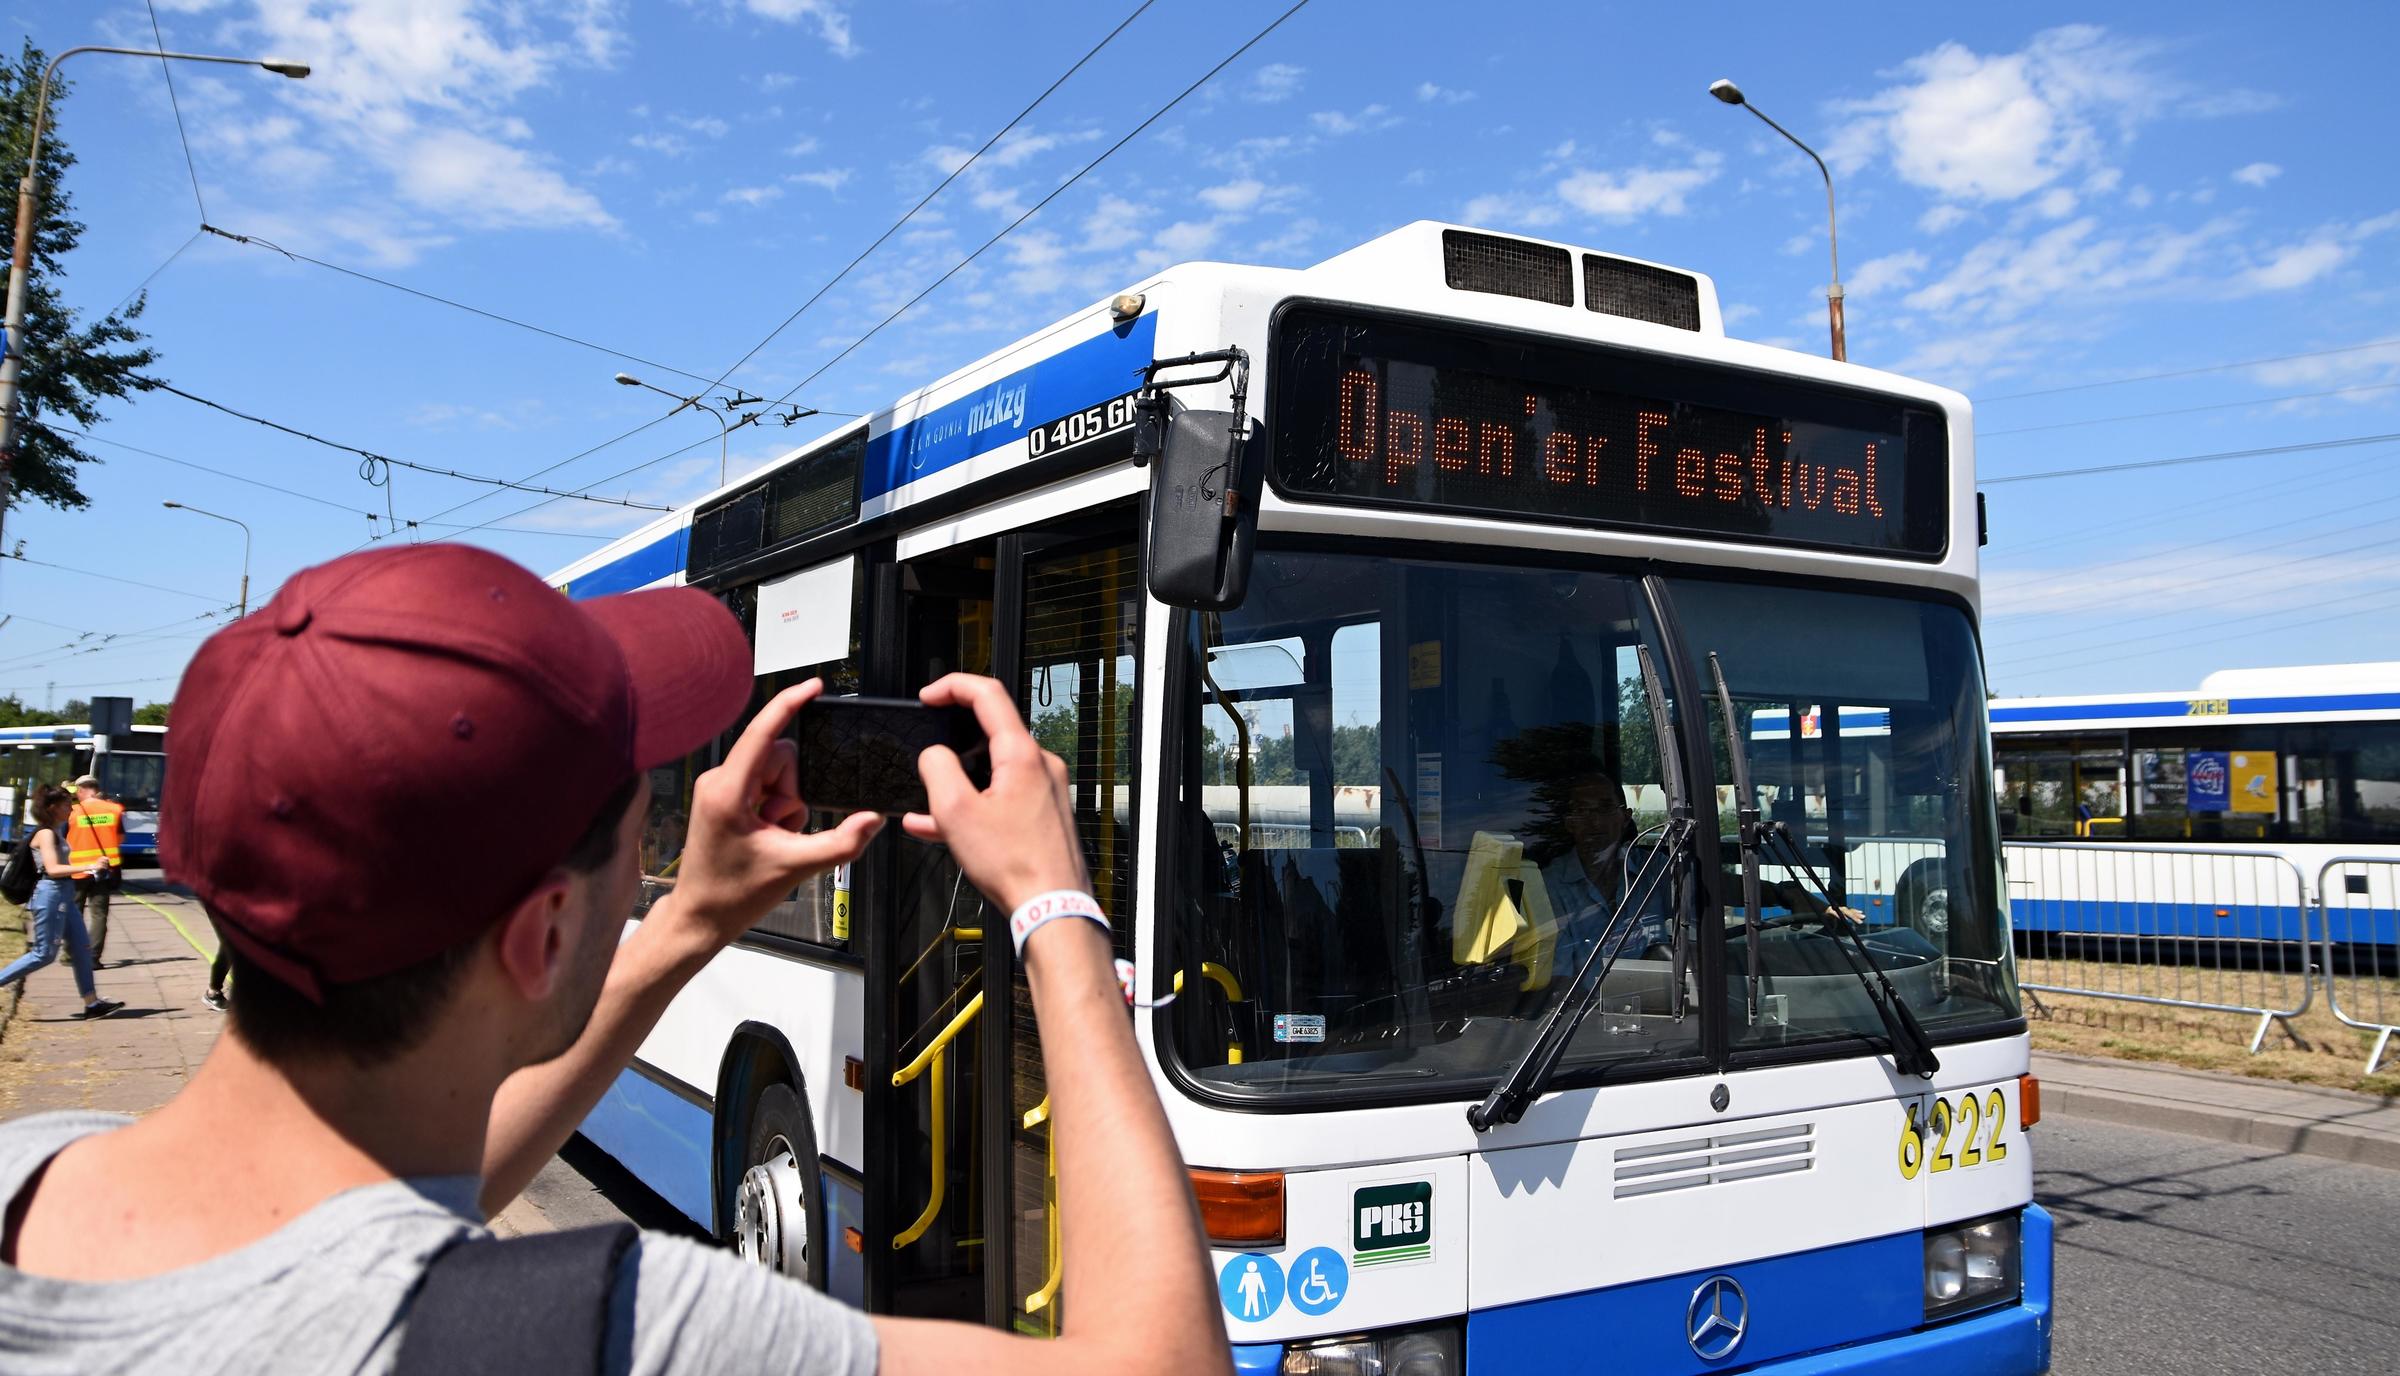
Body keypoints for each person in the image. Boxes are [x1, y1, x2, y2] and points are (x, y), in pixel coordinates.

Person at [0, 545, 1226, 1376]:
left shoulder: (32, 1173)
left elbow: (394, 1200)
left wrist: (688, 918)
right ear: (539, 936)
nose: (655, 826)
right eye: (635, 809)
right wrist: (1055, 903)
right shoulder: (616, 1329)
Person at [0, 784, 121, 1019]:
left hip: (63, 893)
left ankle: (92, 1003)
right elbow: (53, 869)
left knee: (82, 949)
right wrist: (90, 866)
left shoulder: (55, 831)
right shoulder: (45, 833)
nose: (72, 808)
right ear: (53, 808)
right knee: (44, 954)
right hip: (51, 895)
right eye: (67, 804)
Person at [65, 774, 125, 967]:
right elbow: (120, 839)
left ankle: (69, 955)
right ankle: (92, 958)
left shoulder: (72, 811)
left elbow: (63, 839)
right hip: (104, 871)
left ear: (81, 790)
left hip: (78, 870)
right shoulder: (113, 809)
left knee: (74, 912)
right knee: (99, 914)